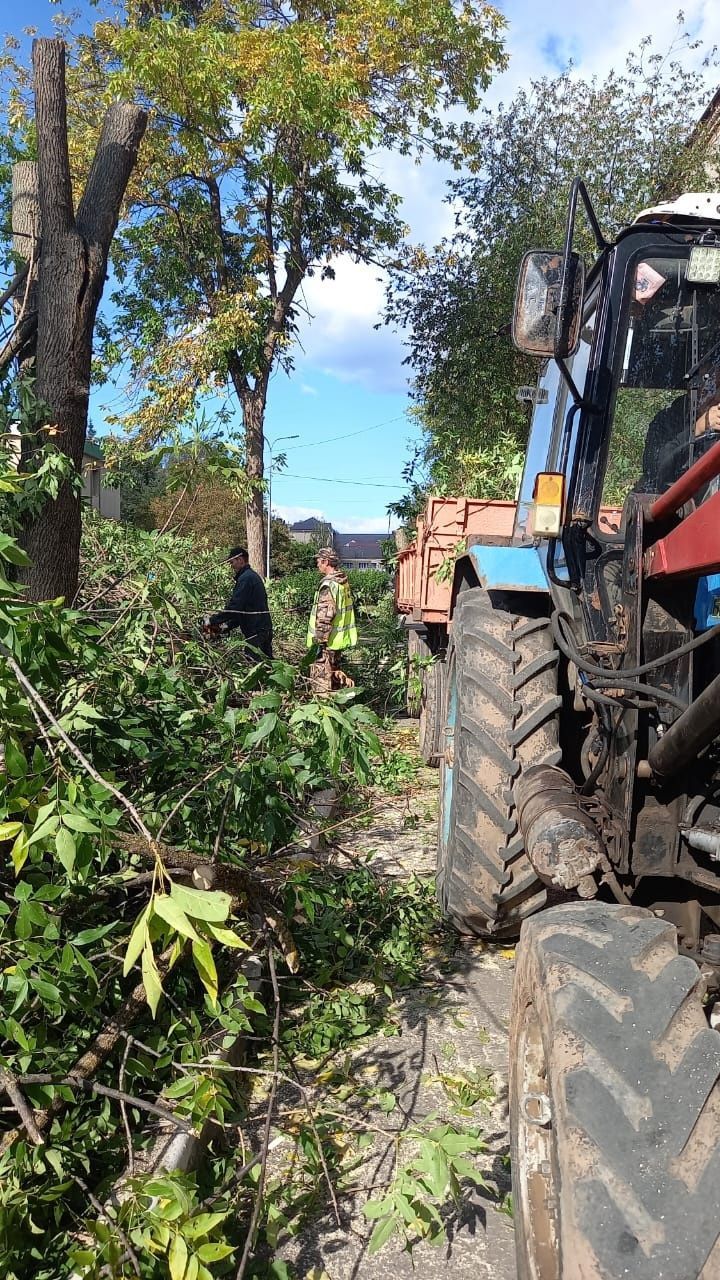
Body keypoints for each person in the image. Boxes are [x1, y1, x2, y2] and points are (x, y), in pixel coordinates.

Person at [306, 547, 357, 693]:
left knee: (321, 682)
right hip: (337, 642)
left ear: (326, 561)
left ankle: (323, 711)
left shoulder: (328, 585)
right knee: (334, 678)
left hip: (326, 644)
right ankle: (335, 709)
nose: (317, 565)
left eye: (318, 561)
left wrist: (318, 643)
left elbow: (325, 617)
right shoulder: (342, 582)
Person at [208, 546, 273, 658]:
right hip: (261, 630)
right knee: (266, 665)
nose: (231, 566)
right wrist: (225, 626)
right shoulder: (250, 576)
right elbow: (243, 611)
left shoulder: (246, 579)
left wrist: (212, 620)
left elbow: (235, 607)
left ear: (240, 560)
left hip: (256, 632)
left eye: (232, 562)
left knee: (254, 665)